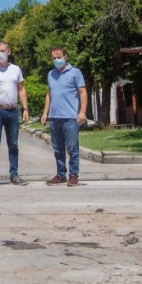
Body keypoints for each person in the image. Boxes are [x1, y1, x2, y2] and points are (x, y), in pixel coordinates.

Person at [0, 41, 30, 187]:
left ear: (8, 51)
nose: (0, 54)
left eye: (2, 51)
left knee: (13, 144)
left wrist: (25, 109)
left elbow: (21, 89)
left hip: (13, 110)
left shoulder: (16, 69)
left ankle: (14, 175)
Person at [41, 46, 88, 187]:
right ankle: (61, 174)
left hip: (70, 117)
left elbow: (83, 92)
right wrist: (45, 113)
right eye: (54, 58)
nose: (57, 60)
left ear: (66, 57)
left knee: (72, 147)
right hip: (54, 117)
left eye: (59, 57)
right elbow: (49, 94)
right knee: (57, 149)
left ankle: (73, 175)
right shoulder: (51, 74)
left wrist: (83, 112)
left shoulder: (75, 73)